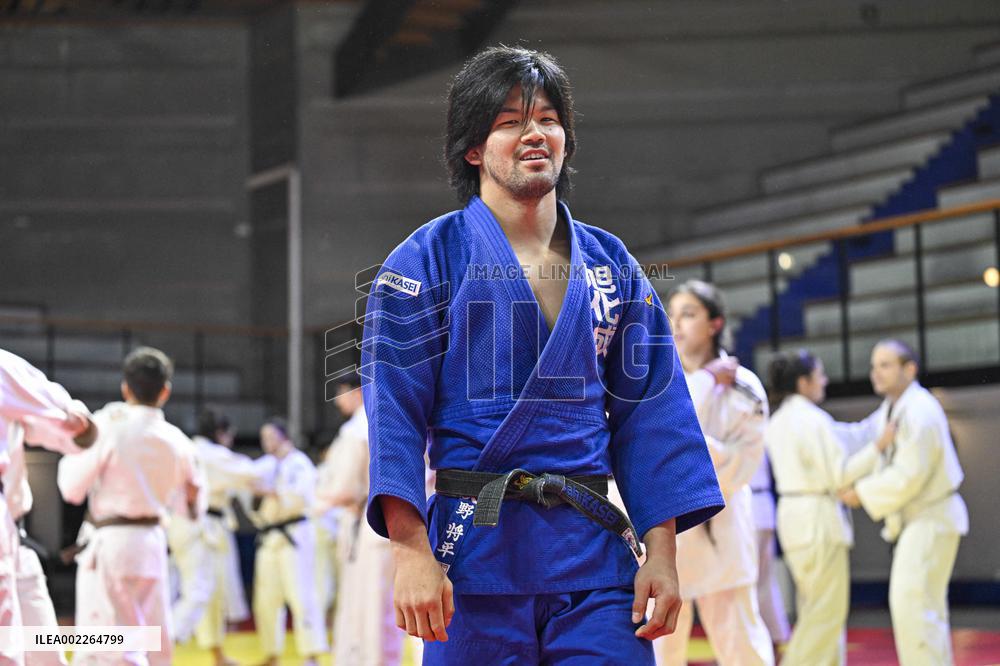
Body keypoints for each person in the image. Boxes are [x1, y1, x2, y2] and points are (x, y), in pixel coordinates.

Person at [361, 46, 724, 665]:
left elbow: (653, 418)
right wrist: (410, 550)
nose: (535, 133)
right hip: (472, 562)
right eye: (509, 121)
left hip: (593, 560)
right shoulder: (425, 260)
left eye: (548, 118)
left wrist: (662, 556)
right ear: (473, 148)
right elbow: (393, 414)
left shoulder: (612, 265)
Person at [57, 346, 202, 666]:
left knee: (109, 643)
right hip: (152, 544)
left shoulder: (108, 424)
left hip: (112, 546)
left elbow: (70, 488)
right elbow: (191, 508)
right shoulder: (178, 440)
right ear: (165, 391)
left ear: (125, 387)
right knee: (152, 638)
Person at [658, 280, 774, 666]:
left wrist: (685, 447)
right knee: (659, 650)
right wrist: (705, 382)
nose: (677, 324)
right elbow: (653, 448)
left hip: (721, 529)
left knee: (742, 648)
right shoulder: (653, 383)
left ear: (715, 323)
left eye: (688, 314)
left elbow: (742, 465)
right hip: (664, 536)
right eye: (672, 315)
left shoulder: (745, 388)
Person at [836, 340, 968, 666]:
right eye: (873, 365)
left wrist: (861, 493)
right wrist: (816, 430)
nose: (876, 372)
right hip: (921, 520)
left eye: (885, 365)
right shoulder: (893, 408)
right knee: (923, 610)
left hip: (930, 516)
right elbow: (862, 436)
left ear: (909, 369)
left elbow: (910, 476)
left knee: (915, 608)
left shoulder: (920, 410)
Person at [765, 350, 888, 665]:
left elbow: (848, 437)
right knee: (825, 613)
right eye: (820, 375)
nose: (825, 381)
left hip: (793, 517)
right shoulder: (812, 419)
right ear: (804, 382)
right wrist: (878, 447)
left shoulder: (779, 420)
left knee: (814, 606)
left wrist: (879, 425)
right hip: (817, 518)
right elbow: (839, 475)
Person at [0, 349, 97, 666]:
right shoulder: (5, 369)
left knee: (44, 653)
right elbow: (66, 418)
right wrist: (76, 421)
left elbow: (61, 427)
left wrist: (76, 428)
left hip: (17, 538)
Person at [317, 373, 406, 666]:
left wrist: (320, 500)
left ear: (356, 392)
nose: (339, 400)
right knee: (370, 607)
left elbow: (345, 487)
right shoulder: (391, 421)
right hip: (382, 521)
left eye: (342, 392)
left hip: (371, 520)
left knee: (370, 609)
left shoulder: (359, 429)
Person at [169, 409, 259, 666]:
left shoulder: (186, 448)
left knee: (211, 594)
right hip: (200, 527)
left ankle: (217, 656)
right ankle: (158, 651)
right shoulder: (212, 454)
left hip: (190, 526)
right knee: (198, 591)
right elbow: (251, 474)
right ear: (221, 433)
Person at [251, 418, 327, 666]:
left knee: (302, 594)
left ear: (284, 436)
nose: (267, 442)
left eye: (271, 436)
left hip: (295, 533)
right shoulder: (263, 465)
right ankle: (272, 653)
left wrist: (272, 492)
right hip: (269, 536)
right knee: (266, 598)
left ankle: (311, 655)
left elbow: (301, 497)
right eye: (264, 437)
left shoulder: (299, 463)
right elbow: (247, 490)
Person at [748, 451, 790, 652]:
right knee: (764, 582)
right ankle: (774, 639)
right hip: (760, 508)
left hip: (753, 509)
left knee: (753, 584)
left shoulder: (746, 427)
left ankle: (768, 643)